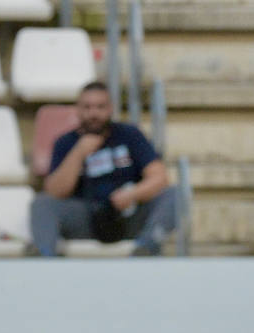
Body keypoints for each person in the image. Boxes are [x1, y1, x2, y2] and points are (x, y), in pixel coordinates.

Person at [30, 82, 176, 257]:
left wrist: (133, 194)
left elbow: (160, 178)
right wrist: (79, 153)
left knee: (175, 195)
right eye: (87, 107)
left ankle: (146, 248)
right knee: (41, 203)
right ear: (78, 109)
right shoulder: (65, 142)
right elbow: (54, 192)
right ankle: (44, 257)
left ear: (111, 109)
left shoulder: (130, 135)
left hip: (129, 214)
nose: (94, 114)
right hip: (85, 217)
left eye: (100, 107)